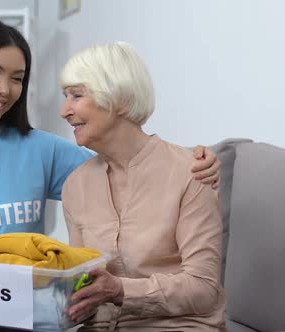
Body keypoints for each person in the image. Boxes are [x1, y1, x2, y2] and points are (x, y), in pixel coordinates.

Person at [0, 21, 221, 332]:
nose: (4, 89)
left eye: (17, 78)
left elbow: (128, 161)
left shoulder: (44, 151)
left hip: (28, 313)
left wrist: (200, 159)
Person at [60, 42, 225, 331]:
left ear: (120, 99)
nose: (65, 111)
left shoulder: (191, 172)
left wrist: (121, 290)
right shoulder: (76, 186)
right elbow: (81, 284)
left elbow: (203, 288)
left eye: (76, 95)